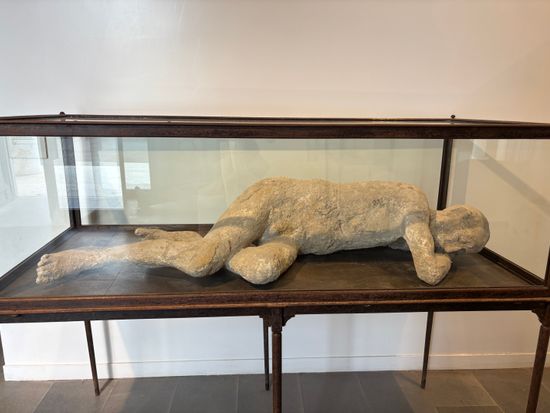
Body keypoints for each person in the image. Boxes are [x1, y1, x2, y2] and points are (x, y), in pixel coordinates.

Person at [36, 177, 490, 286]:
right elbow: (429, 271)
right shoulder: (413, 204)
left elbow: (383, 239)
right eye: (463, 245)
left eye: (463, 251)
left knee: (261, 271)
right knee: (201, 265)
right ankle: (93, 258)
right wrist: (443, 260)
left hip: (293, 238)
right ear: (456, 223)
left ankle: (188, 242)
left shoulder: (401, 229)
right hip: (277, 202)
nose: (456, 250)